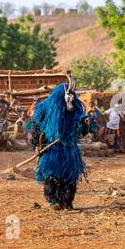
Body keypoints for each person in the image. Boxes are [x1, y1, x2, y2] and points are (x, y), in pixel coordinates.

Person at [31, 79, 91, 211]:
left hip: (69, 150)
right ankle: (54, 201)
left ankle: (67, 202)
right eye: (67, 95)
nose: (69, 98)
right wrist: (37, 145)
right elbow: (37, 128)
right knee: (51, 176)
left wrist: (86, 125)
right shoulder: (46, 110)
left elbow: (81, 130)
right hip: (52, 150)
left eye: (72, 95)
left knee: (70, 176)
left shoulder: (77, 113)